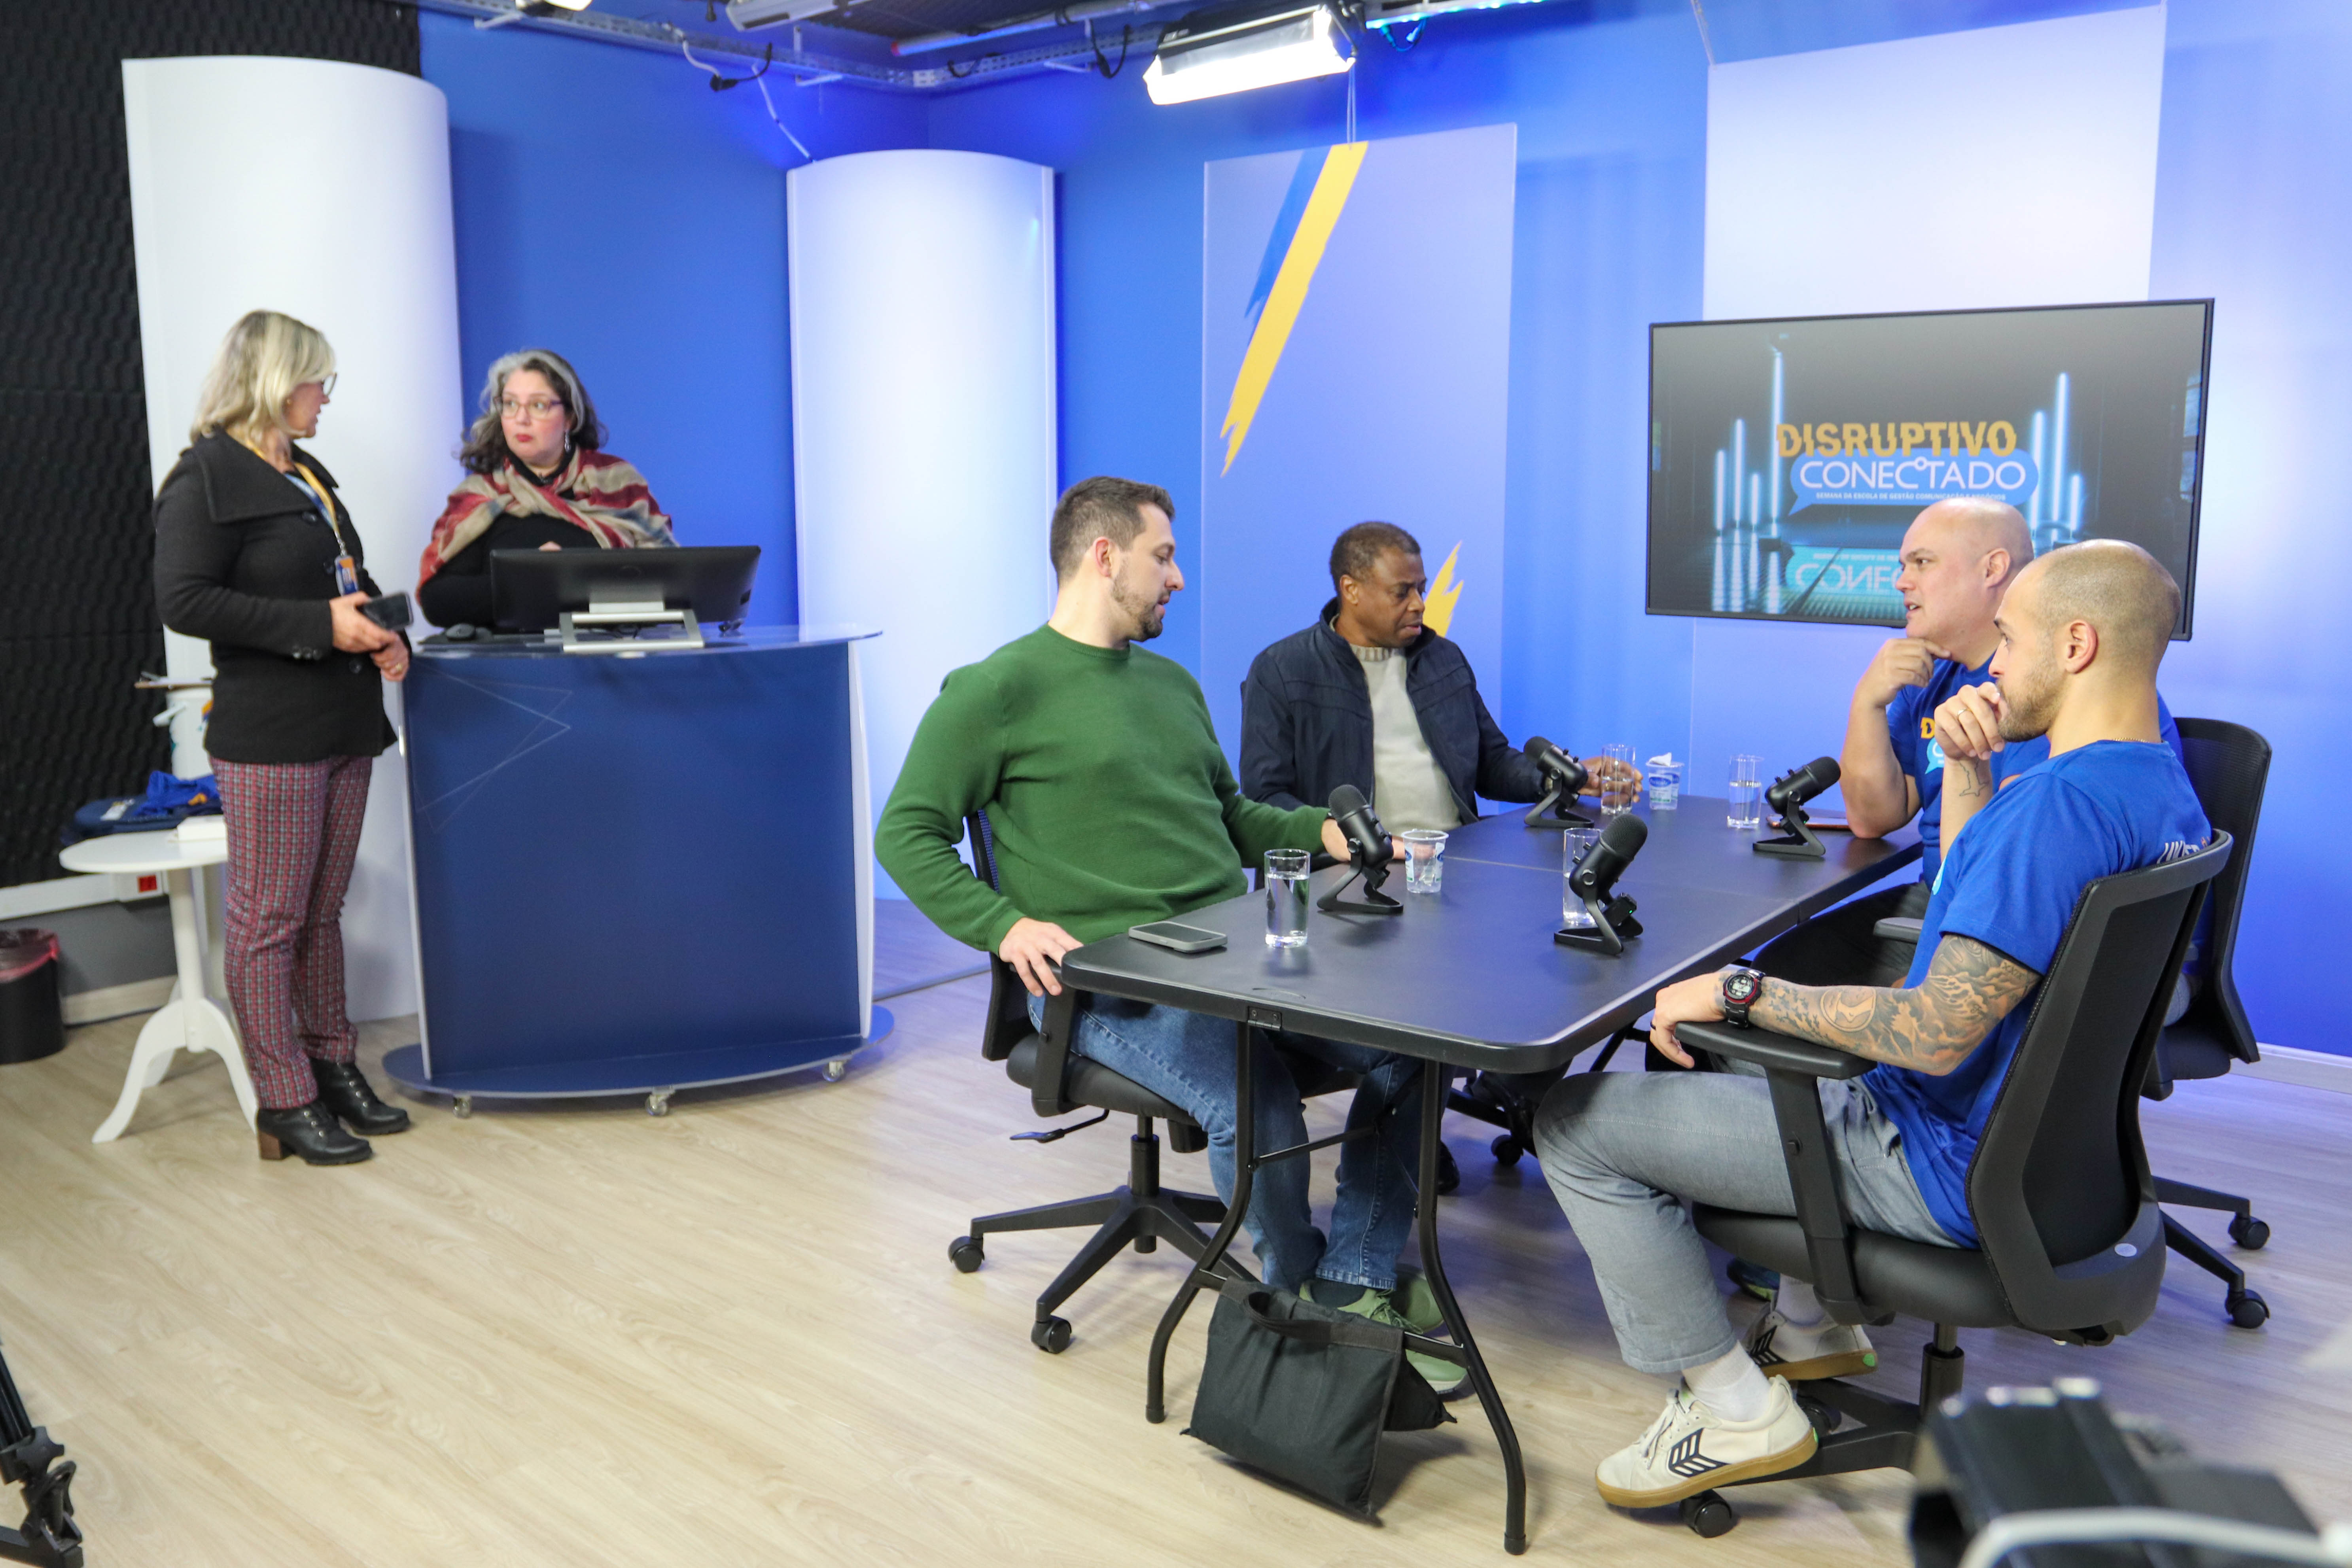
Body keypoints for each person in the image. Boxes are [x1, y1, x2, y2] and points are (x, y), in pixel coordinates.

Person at [1532, 539, 2208, 1512]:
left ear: (2075, 645)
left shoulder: (2053, 808)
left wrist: (1740, 990)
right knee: (1752, 1055)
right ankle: (1811, 1324)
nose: (1994, 665)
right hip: (2039, 1165)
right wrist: (1967, 770)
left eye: (2010, 641)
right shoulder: (2158, 790)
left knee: (1571, 1121)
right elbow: (1983, 904)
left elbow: (1934, 1030)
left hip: (1930, 1154)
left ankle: (1730, 1408)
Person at [876, 477, 1463, 1392]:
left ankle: (1351, 1273)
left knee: (1414, 1046)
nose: (1178, 578)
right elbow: (905, 833)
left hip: (1233, 955)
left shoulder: (1171, 683)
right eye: (1163, 556)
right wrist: (1004, 924)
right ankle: (1296, 1294)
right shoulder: (995, 689)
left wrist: (1320, 830)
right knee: (1253, 1092)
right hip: (1110, 988)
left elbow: (1230, 816)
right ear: (1103, 555)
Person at [153, 310, 414, 1166]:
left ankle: (333, 1066)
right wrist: (320, 626)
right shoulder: (204, 477)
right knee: (270, 919)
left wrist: (385, 633)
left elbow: (347, 579)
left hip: (343, 720)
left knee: (321, 912)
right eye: (316, 381)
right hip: (271, 732)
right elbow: (185, 600)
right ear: (274, 381)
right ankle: (285, 1097)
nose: (324, 398)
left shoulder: (306, 473)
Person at [1755, 497, 2178, 989]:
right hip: (1954, 900)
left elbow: (2009, 881)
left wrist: (1916, 995)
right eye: (1902, 565)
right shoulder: (1929, 675)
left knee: (1754, 995)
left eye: (1922, 562)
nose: (1901, 581)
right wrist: (1867, 701)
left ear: (1992, 569)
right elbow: (1874, 820)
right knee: (1778, 965)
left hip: (2005, 923)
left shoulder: (2050, 695)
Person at [1241, 521, 1631, 827]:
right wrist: (1345, 837)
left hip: (1455, 858)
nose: (1419, 605)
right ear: (1351, 590)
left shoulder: (1443, 658)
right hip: (1351, 870)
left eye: (1421, 590)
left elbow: (1489, 762)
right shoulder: (1282, 671)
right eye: (1401, 592)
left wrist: (1559, 778)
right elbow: (1266, 798)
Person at [415, 349, 675, 629]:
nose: (521, 418)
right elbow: (438, 601)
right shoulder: (482, 494)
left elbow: (669, 581)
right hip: (508, 654)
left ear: (569, 418)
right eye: (510, 404)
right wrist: (524, 581)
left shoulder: (618, 483)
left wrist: (569, 576)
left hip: (606, 649)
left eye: (538, 405)